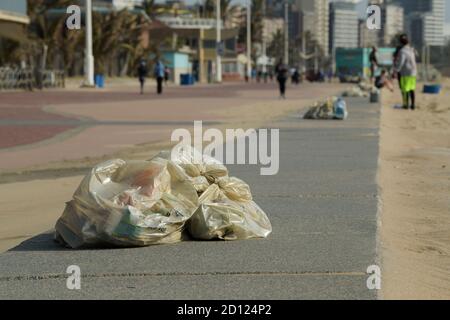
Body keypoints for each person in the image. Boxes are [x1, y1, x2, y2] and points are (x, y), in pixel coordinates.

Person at [394, 34, 417, 110]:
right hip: (413, 72)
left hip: (406, 73)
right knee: (411, 88)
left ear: (400, 42)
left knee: (405, 89)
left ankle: (405, 105)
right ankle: (413, 105)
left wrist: (396, 70)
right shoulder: (411, 49)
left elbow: (401, 62)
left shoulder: (402, 51)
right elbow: (416, 55)